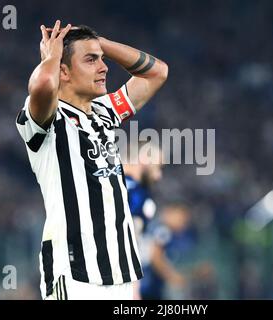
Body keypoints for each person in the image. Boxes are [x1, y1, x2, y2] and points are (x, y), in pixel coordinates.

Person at [15, 20, 168, 300]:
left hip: (122, 274)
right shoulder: (47, 122)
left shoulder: (104, 111)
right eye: (91, 60)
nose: (104, 67)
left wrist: (99, 43)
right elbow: (44, 84)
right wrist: (52, 55)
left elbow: (157, 73)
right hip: (76, 276)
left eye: (101, 59)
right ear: (64, 71)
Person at [123, 143, 163, 299]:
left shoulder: (99, 180)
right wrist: (134, 289)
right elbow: (129, 243)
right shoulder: (137, 195)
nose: (158, 175)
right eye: (158, 167)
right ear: (145, 158)